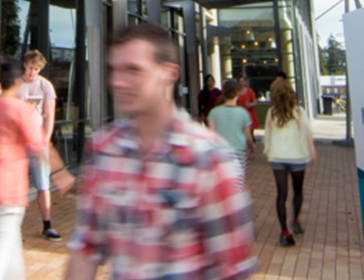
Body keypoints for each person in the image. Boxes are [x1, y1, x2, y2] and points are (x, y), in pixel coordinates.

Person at [67, 22, 254, 280]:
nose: (118, 82)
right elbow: (86, 247)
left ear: (169, 73)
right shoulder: (104, 149)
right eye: (114, 69)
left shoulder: (209, 159)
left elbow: (231, 269)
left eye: (133, 70)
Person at [0, 58, 72, 280]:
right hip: (6, 189)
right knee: (1, 245)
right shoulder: (18, 109)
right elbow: (39, 145)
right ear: (16, 82)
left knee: (10, 245)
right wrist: (60, 173)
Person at [261, 77, 317, 246]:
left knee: (281, 193)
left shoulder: (272, 112)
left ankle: (284, 231)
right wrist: (311, 149)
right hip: (297, 156)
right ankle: (296, 219)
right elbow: (307, 131)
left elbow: (268, 132)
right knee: (298, 190)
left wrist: (268, 150)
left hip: (277, 155)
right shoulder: (299, 111)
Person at [20, 50, 62, 241]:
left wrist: (45, 139)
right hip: (18, 142)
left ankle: (47, 224)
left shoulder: (46, 86)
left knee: (42, 184)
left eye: (36, 69)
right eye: (31, 68)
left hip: (37, 142)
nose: (33, 72)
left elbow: (50, 115)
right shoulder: (17, 85)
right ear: (25, 65)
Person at [205, 78, 258, 190]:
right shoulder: (243, 113)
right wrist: (251, 147)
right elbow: (249, 138)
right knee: (238, 187)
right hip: (238, 154)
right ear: (238, 94)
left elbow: (210, 137)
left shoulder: (214, 113)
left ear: (224, 93)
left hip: (220, 154)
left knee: (220, 188)